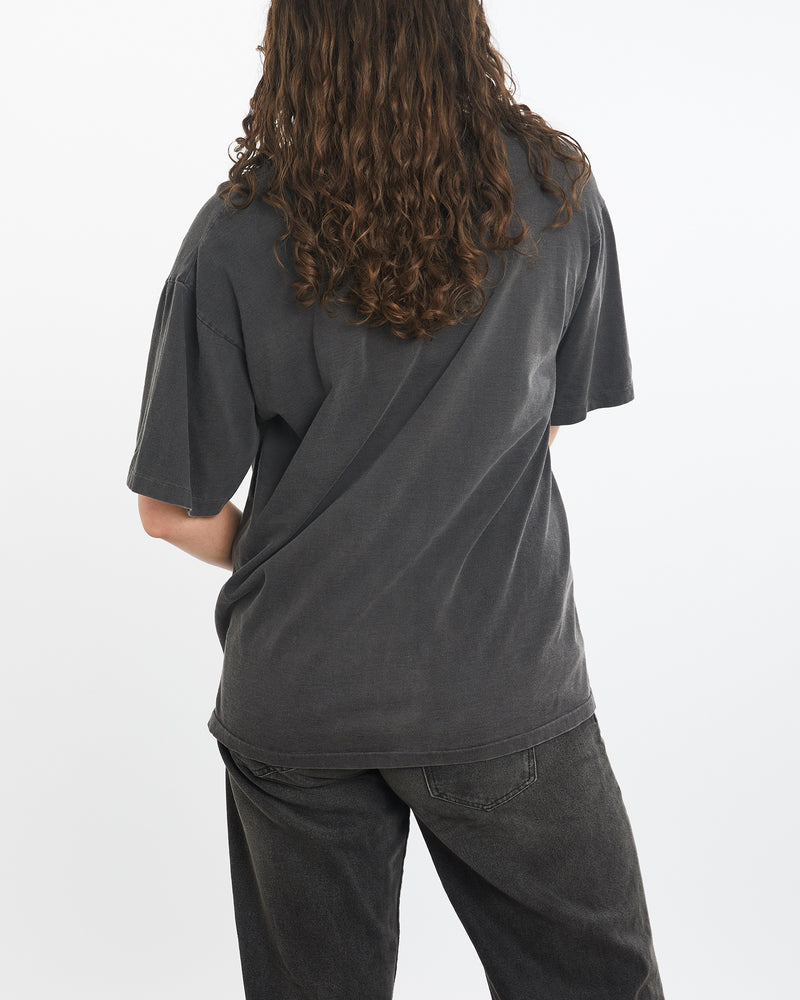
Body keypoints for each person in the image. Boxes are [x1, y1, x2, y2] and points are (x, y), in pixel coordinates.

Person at [126, 1, 666, 997]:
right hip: (498, 682)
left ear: (299, 41)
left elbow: (173, 512)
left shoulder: (235, 232)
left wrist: (317, 552)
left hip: (298, 696)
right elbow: (539, 424)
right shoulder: (555, 192)